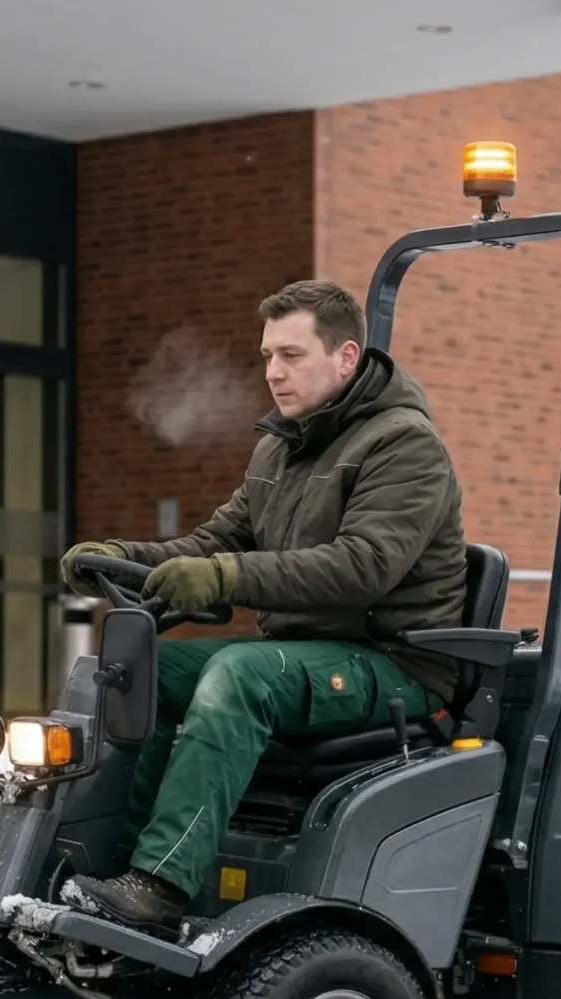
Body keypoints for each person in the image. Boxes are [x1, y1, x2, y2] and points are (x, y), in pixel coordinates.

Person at [59, 280, 467, 936]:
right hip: (304, 656)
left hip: (392, 662)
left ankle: (159, 883)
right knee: (136, 669)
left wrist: (222, 579)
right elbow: (214, 543)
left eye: (291, 354)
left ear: (346, 357)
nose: (273, 372)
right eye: (266, 356)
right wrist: (118, 553)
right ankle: (91, 855)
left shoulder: (404, 445)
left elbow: (363, 567)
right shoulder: (281, 448)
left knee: (239, 676)